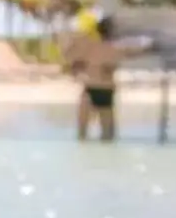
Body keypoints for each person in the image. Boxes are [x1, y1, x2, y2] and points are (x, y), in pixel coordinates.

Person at [61, 9, 149, 141]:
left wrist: (75, 39)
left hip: (91, 89)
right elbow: (139, 50)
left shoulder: (89, 45)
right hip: (106, 90)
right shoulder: (115, 48)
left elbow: (68, 55)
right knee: (107, 136)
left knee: (82, 134)